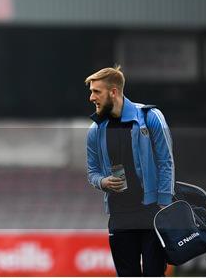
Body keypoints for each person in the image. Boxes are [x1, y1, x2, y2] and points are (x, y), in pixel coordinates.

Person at [85, 66, 174, 276]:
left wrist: (164, 204)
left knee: (154, 273)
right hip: (120, 215)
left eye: (96, 91)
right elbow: (92, 172)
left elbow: (166, 162)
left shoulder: (151, 117)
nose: (91, 97)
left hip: (152, 212)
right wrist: (102, 182)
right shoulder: (95, 131)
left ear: (113, 92)